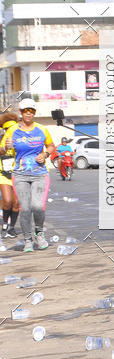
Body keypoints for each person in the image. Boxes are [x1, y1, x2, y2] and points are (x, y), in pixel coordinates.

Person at [0, 99, 54, 253]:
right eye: (25, 110)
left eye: (31, 110)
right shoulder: (12, 131)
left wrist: (45, 154)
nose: (28, 113)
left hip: (40, 174)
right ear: (21, 113)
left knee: (37, 207)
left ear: (34, 113)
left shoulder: (42, 129)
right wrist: (6, 147)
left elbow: (50, 145)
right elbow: (1, 150)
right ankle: (27, 240)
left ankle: (39, 233)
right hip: (20, 175)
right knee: (24, 209)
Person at [0, 110, 20, 238]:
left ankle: (12, 227)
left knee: (16, 203)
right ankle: (4, 226)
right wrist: (6, 148)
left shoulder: (21, 136)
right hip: (3, 174)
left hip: (19, 173)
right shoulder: (2, 137)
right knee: (7, 201)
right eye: (7, 128)